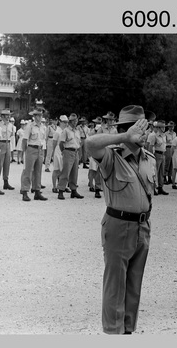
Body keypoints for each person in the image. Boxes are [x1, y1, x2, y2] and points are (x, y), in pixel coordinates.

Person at [83, 105, 155, 334]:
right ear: (126, 129)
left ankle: (127, 331)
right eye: (140, 129)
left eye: (147, 128)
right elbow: (90, 144)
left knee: (134, 283)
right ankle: (113, 333)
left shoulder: (149, 158)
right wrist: (124, 137)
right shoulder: (111, 156)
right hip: (118, 225)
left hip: (142, 226)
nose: (146, 134)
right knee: (116, 285)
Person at [19, 109, 48, 201]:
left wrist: (43, 151)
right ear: (34, 116)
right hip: (31, 148)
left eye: (41, 115)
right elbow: (24, 140)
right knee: (28, 171)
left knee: (38, 171)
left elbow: (44, 140)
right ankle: (25, 191)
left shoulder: (43, 127)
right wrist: (24, 152)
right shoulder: (30, 126)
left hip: (40, 149)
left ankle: (37, 191)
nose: (40, 117)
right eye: (38, 116)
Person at [56, 113, 84, 200]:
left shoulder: (77, 131)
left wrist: (79, 153)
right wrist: (64, 152)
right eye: (73, 121)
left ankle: (73, 190)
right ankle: (61, 190)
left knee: (75, 172)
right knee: (65, 172)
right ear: (70, 122)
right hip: (68, 151)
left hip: (75, 151)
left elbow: (79, 142)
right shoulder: (66, 131)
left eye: (76, 120)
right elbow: (61, 143)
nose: (75, 122)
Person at [0, 110, 16, 190]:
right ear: (2, 116)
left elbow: (12, 134)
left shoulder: (11, 125)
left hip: (8, 143)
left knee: (7, 164)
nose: (8, 117)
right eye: (6, 115)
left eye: (9, 115)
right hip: (1, 143)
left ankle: (6, 182)